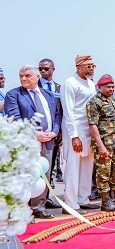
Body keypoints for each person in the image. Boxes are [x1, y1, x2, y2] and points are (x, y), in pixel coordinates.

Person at [4, 65, 62, 219]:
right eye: (21, 75)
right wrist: (35, 134)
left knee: (44, 175)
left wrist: (55, 131)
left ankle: (39, 206)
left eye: (27, 75)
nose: (23, 78)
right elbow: (14, 120)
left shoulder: (48, 94)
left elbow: (56, 115)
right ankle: (22, 211)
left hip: (48, 141)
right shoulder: (13, 95)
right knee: (25, 176)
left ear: (37, 77)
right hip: (27, 144)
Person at [61, 55, 100, 214]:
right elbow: (68, 111)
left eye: (93, 66)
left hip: (88, 129)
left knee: (87, 165)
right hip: (75, 129)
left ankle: (83, 199)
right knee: (73, 166)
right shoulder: (70, 83)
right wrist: (74, 136)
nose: (91, 69)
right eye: (88, 66)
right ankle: (70, 203)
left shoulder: (91, 84)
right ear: (78, 67)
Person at [86, 75, 115, 212]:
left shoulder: (114, 100)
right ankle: (105, 201)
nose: (111, 89)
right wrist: (100, 146)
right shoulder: (94, 102)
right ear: (100, 87)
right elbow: (93, 126)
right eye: (108, 87)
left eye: (112, 87)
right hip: (105, 144)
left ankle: (113, 197)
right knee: (103, 173)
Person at [37, 58, 64, 208]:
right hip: (40, 133)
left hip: (55, 133)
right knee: (39, 168)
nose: (42, 71)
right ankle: (37, 201)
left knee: (51, 165)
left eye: (46, 69)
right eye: (40, 69)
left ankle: (46, 197)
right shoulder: (35, 86)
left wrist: (58, 131)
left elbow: (60, 110)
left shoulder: (59, 87)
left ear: (53, 69)